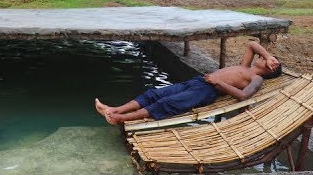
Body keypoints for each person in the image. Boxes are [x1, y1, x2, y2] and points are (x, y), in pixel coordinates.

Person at [95, 40, 282, 125]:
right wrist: (267, 55)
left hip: (208, 91)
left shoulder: (256, 79)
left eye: (268, 60)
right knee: (155, 93)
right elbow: (252, 44)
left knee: (166, 104)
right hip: (198, 81)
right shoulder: (246, 66)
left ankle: (120, 119)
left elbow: (243, 96)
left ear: (270, 69)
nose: (265, 57)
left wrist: (218, 82)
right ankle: (115, 109)